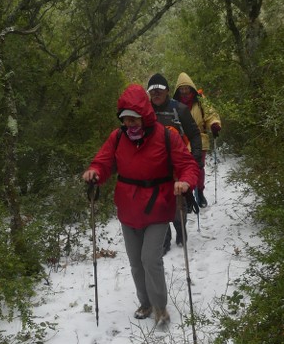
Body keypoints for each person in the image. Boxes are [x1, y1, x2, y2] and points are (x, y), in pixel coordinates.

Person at [82, 83, 200, 326]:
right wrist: (94, 172)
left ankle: (160, 309)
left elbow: (188, 165)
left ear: (145, 117)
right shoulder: (117, 138)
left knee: (150, 259)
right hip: (128, 208)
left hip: (158, 206)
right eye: (125, 120)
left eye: (133, 120)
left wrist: (185, 183)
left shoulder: (167, 136)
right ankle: (145, 303)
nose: (129, 125)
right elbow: (103, 162)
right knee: (136, 262)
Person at [147, 72, 202, 253]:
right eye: (152, 90)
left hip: (178, 163)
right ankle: (164, 238)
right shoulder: (144, 110)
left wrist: (194, 161)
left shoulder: (180, 109)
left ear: (167, 91)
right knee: (158, 203)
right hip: (154, 166)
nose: (156, 94)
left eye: (159, 90)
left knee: (179, 201)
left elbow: (194, 135)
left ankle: (180, 229)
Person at [172, 72, 222, 207]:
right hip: (181, 141)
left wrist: (214, 124)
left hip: (199, 138)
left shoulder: (200, 100)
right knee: (183, 169)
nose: (184, 92)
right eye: (181, 89)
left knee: (198, 168)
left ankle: (199, 192)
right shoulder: (174, 104)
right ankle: (188, 196)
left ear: (191, 88)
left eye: (186, 89)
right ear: (178, 90)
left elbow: (211, 114)